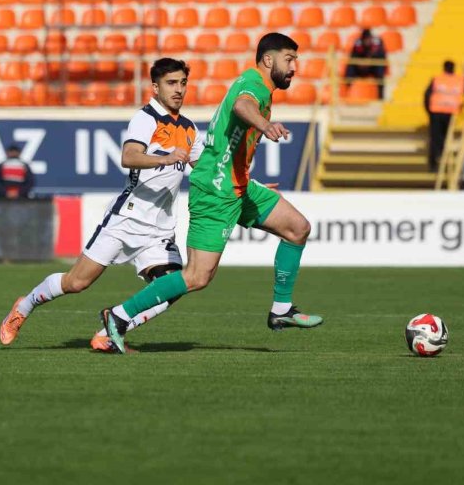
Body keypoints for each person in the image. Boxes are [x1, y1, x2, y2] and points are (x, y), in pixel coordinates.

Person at [100, 33, 323, 354]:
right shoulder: (254, 85)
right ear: (269, 60)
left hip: (238, 185)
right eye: (289, 59)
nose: (294, 67)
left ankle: (281, 309)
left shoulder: (259, 85)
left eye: (296, 60)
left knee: (297, 228)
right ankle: (119, 316)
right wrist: (264, 125)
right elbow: (242, 105)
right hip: (216, 190)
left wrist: (250, 177)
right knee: (196, 277)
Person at [0, 59, 203, 352]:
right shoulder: (146, 118)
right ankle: (25, 304)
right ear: (156, 87)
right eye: (172, 83)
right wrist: (165, 157)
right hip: (126, 219)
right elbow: (129, 156)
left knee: (173, 286)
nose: (179, 89)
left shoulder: (189, 128)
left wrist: (248, 186)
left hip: (159, 229)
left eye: (183, 82)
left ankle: (111, 330)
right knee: (76, 282)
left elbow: (207, 172)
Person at [424, 60, 464, 171]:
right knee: (445, 137)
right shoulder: (460, 79)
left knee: (435, 138)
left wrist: (428, 110)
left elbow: (426, 95)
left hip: (436, 111)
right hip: (450, 112)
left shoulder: (437, 78)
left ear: (444, 67)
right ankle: (443, 160)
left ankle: (434, 163)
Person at [345, 28, 388, 99]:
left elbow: (382, 57)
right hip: (360, 67)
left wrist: (370, 60)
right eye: (365, 39)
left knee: (380, 68)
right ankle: (347, 92)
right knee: (350, 67)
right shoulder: (357, 44)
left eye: (368, 39)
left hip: (373, 67)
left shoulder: (377, 43)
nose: (367, 41)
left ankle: (380, 96)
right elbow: (353, 57)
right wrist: (360, 63)